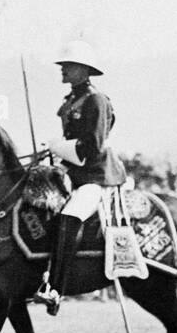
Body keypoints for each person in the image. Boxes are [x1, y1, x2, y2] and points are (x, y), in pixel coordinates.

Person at [36, 40, 127, 315]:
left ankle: (56, 288)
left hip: (96, 176)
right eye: (63, 65)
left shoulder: (96, 100)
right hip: (73, 173)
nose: (62, 69)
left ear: (84, 70)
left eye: (68, 66)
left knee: (70, 216)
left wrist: (57, 146)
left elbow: (92, 147)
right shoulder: (71, 101)